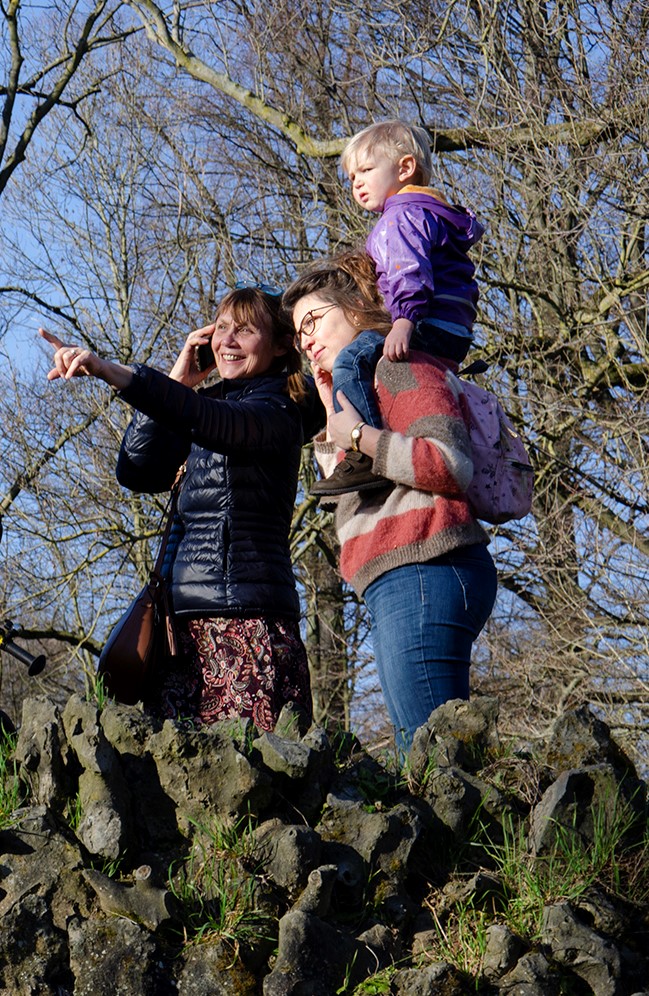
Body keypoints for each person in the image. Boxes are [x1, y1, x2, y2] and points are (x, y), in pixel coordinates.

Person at [41, 286, 317, 731]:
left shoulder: (280, 411)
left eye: (245, 331)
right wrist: (178, 380)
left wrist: (113, 371)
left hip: (247, 624)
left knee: (253, 770)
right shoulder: (202, 406)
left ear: (283, 345)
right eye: (221, 328)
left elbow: (212, 423)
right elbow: (136, 469)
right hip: (180, 631)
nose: (227, 341)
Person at [283, 254, 497, 753]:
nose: (305, 340)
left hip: (424, 566)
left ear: (357, 306)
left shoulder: (397, 367)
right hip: (400, 577)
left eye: (313, 321)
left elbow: (449, 462)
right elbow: (351, 489)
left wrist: (360, 435)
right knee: (420, 753)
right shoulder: (362, 387)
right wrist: (334, 411)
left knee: (432, 758)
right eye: (297, 335)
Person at [312, 119, 485, 498]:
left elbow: (409, 272)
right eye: (352, 177)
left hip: (424, 320)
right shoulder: (431, 213)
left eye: (366, 170)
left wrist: (404, 319)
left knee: (350, 361)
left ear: (405, 167)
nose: (356, 183)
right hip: (454, 330)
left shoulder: (399, 217)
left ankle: (361, 455)